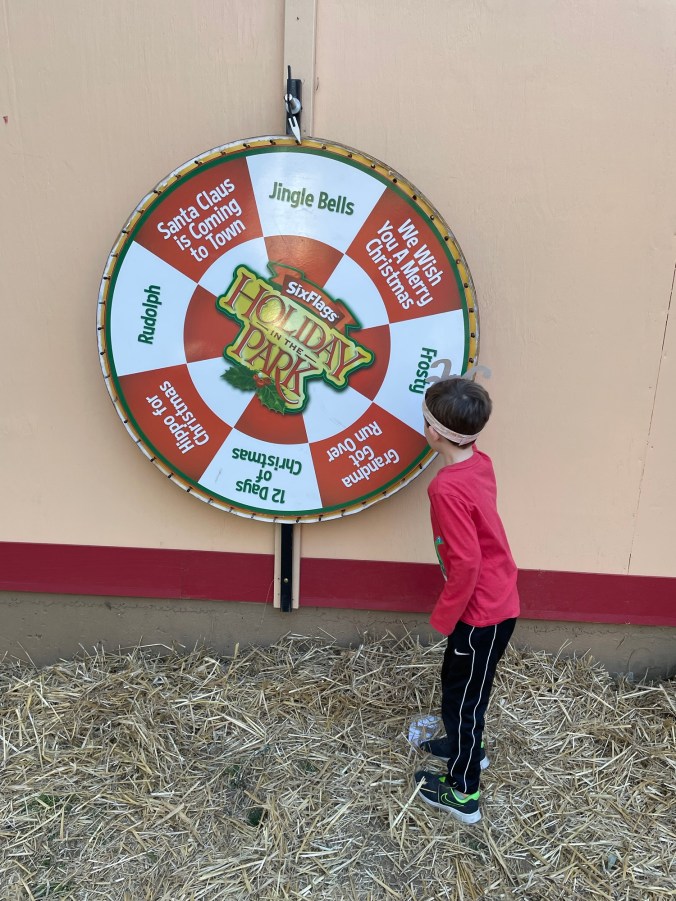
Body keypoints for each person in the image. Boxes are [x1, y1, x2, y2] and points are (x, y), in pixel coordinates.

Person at [414, 376, 520, 824]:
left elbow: (467, 564)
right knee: (462, 686)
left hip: (481, 613)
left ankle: (463, 792)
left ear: (434, 434)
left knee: (465, 699)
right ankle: (465, 748)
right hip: (493, 606)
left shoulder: (446, 488)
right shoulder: (479, 463)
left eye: (423, 421)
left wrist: (444, 616)